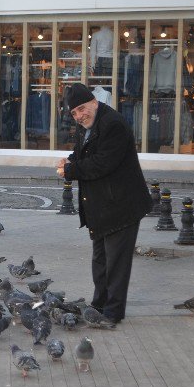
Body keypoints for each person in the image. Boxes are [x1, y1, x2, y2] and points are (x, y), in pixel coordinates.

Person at [56, 83, 152, 324]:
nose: (79, 116)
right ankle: (99, 305)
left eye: (81, 109)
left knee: (116, 264)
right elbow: (84, 154)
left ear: (94, 102)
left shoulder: (113, 125)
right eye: (74, 113)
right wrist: (69, 161)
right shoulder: (87, 125)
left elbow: (102, 163)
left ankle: (112, 313)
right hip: (101, 207)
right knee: (100, 261)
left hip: (122, 206)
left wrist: (71, 170)